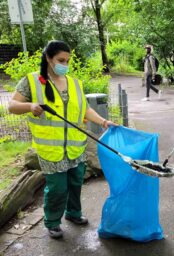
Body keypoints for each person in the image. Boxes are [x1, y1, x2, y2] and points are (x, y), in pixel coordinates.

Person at [8, 40, 116, 239]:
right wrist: (30, 106)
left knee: (75, 183)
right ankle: (52, 221)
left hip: (75, 147)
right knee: (57, 188)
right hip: (51, 150)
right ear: (49, 58)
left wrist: (103, 122)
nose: (64, 64)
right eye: (60, 60)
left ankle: (73, 213)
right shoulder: (32, 80)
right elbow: (12, 106)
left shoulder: (74, 83)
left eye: (67, 60)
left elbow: (85, 109)